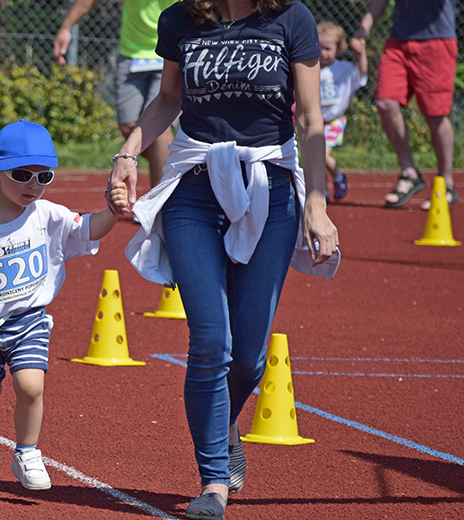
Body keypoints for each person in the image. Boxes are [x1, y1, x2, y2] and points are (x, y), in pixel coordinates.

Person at [105, 1, 340, 518]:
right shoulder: (179, 19)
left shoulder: (292, 18)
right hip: (194, 186)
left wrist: (316, 204)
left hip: (271, 186)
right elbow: (169, 98)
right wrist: (127, 153)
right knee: (211, 341)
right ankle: (213, 480)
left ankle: (224, 423)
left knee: (249, 358)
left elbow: (311, 117)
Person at [0, 119, 126, 498]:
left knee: (31, 385)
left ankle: (27, 453)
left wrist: (113, 212)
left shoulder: (48, 215)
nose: (33, 185)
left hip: (30, 320)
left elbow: (87, 230)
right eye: (21, 175)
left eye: (43, 176)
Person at [54, 0, 176, 189]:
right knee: (129, 126)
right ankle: (175, 165)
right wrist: (66, 27)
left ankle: (160, 199)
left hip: (169, 51)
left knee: (160, 125)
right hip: (131, 52)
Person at [352, 0, 458, 209]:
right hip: (398, 41)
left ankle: (447, 183)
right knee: (385, 103)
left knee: (435, 115)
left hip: (436, 41)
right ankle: (409, 172)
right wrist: (364, 29)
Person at [317, 21, 368, 202]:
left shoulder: (343, 69)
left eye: (328, 49)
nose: (323, 53)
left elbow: (361, 73)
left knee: (322, 155)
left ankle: (338, 177)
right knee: (316, 159)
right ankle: (322, 191)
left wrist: (361, 54)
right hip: (316, 122)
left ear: (338, 49)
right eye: (319, 47)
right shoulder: (310, 68)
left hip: (334, 120)